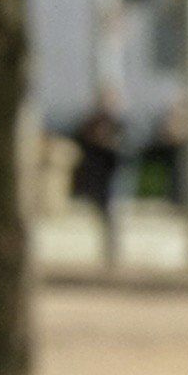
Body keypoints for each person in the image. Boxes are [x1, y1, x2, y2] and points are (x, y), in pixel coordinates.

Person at [67, 102, 128, 271]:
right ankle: (107, 255)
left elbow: (124, 153)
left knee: (110, 216)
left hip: (110, 180)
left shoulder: (119, 127)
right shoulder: (89, 126)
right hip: (96, 180)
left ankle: (112, 255)